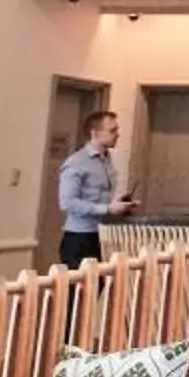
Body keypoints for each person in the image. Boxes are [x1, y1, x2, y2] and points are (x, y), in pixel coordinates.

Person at [55, 109, 136, 268]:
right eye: (112, 130)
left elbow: (99, 194)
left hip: (101, 234)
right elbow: (67, 203)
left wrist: (118, 204)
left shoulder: (106, 158)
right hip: (79, 236)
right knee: (79, 290)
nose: (117, 134)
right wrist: (106, 208)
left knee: (100, 287)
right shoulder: (77, 162)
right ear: (95, 133)